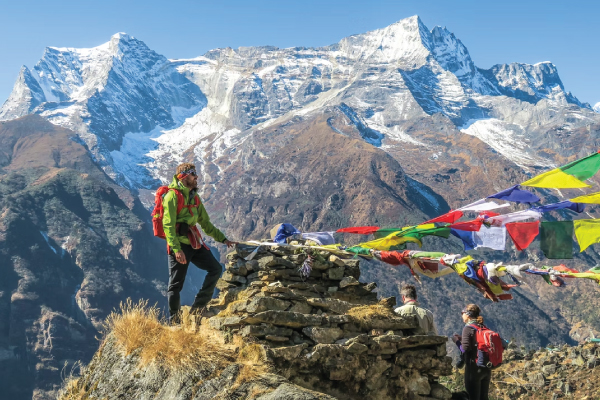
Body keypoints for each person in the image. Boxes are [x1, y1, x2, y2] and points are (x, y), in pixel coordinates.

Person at [163, 163, 235, 323]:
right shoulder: (172, 196)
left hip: (194, 243)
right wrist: (176, 250)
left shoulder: (194, 197)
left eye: (195, 173)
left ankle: (199, 306)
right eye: (192, 174)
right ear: (183, 176)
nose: (196, 177)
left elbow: (206, 223)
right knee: (175, 285)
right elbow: (168, 226)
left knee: (215, 269)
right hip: (180, 246)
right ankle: (174, 321)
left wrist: (223, 239)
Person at [456, 304, 491, 400]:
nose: (461, 315)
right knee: (484, 398)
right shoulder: (482, 327)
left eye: (462, 313)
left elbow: (465, 348)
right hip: (486, 368)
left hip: (473, 368)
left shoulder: (468, 328)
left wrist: (457, 341)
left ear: (467, 314)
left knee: (472, 397)